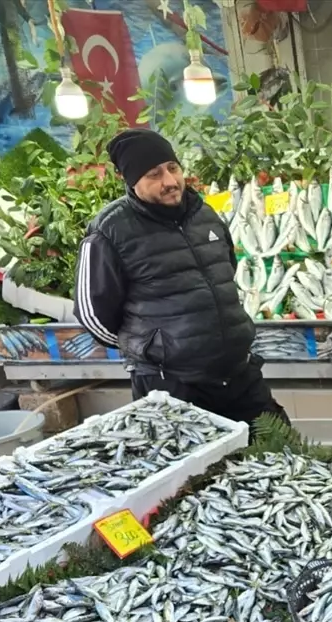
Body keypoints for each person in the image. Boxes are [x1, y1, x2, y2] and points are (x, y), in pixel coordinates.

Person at [74, 129, 289, 427]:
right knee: (196, 471)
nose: (170, 182)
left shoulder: (205, 215)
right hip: (173, 386)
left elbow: (226, 270)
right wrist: (149, 350)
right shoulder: (110, 232)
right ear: (131, 181)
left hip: (239, 375)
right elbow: (92, 314)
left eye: (173, 168)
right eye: (154, 174)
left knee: (277, 449)